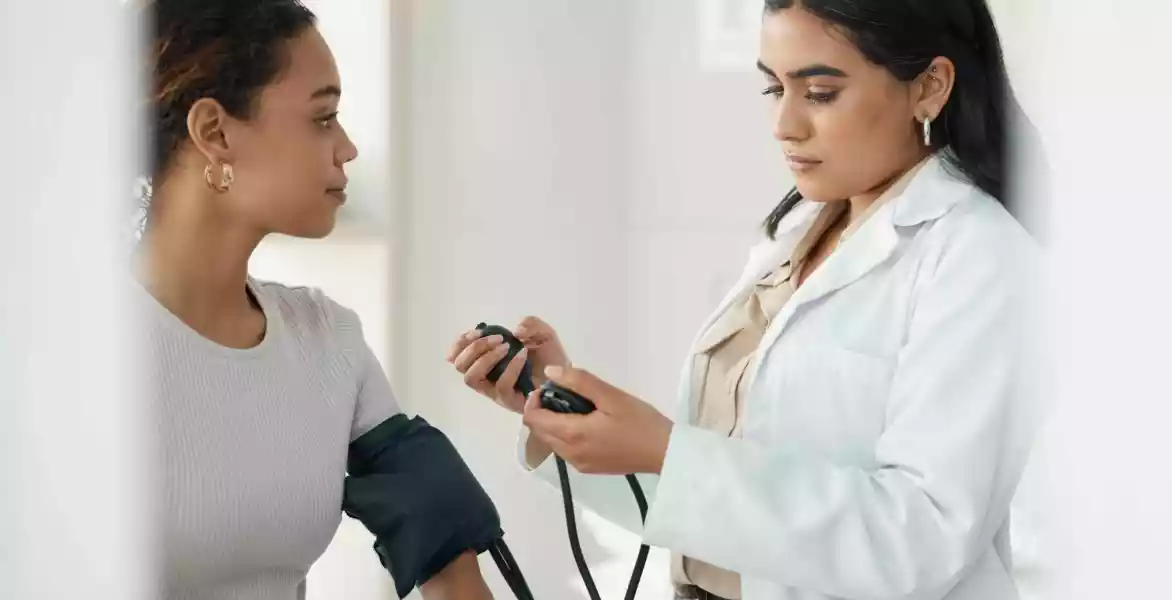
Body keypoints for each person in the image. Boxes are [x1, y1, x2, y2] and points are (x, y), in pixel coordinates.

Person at [448, 1, 1046, 599]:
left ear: (931, 87)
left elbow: (920, 542)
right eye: (773, 87)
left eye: (819, 92)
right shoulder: (796, 236)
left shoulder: (980, 256)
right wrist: (564, 407)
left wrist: (666, 449)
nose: (785, 124)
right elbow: (717, 506)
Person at [135, 1, 495, 598]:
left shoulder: (329, 338)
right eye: (323, 117)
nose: (347, 148)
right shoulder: (69, 346)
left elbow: (448, 560)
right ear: (215, 133)